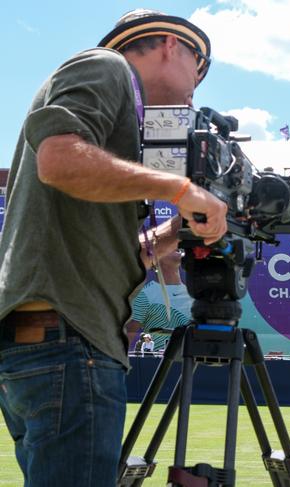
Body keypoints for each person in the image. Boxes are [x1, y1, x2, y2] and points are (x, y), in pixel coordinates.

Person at [0, 10, 228, 486]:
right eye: (198, 67)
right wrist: (180, 189)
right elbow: (58, 160)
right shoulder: (107, 68)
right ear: (170, 45)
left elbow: (110, 248)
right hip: (69, 340)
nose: (196, 87)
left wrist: (176, 233)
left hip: (53, 340)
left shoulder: (121, 123)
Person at [127, 249, 192, 351]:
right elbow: (128, 335)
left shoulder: (193, 293)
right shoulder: (145, 295)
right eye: (169, 247)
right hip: (159, 364)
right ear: (154, 260)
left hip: (188, 362)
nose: (175, 247)